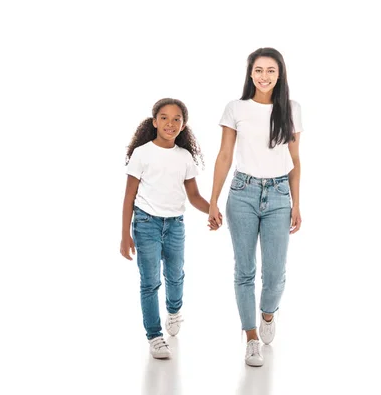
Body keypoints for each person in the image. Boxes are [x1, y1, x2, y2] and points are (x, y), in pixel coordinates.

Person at [208, 47, 303, 366]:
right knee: (244, 269)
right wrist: (213, 201)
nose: (264, 76)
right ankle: (250, 337)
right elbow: (224, 156)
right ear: (250, 74)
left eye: (271, 71)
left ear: (280, 74)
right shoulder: (236, 108)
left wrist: (296, 203)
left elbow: (295, 160)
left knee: (275, 273)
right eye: (259, 70)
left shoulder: (291, 108)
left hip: (278, 194)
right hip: (242, 192)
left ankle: (267, 314)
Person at [120, 98, 219, 359]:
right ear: (154, 122)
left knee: (175, 276)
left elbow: (194, 196)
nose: (170, 123)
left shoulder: (184, 157)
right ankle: (154, 336)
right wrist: (124, 235)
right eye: (164, 117)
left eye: (177, 119)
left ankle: (174, 311)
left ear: (183, 125)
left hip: (175, 225)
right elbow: (129, 196)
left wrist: (212, 209)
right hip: (145, 224)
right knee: (150, 282)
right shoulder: (142, 153)